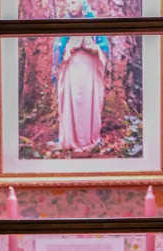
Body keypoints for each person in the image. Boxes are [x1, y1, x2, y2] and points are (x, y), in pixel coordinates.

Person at [52, 0, 110, 153]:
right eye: (69, 3)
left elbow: (103, 47)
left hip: (89, 69)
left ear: (82, 4)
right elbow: (58, 49)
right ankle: (71, 139)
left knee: (88, 102)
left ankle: (88, 138)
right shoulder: (64, 25)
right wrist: (70, 48)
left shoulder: (93, 24)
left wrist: (93, 48)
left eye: (74, 2)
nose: (71, 6)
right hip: (72, 68)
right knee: (73, 101)